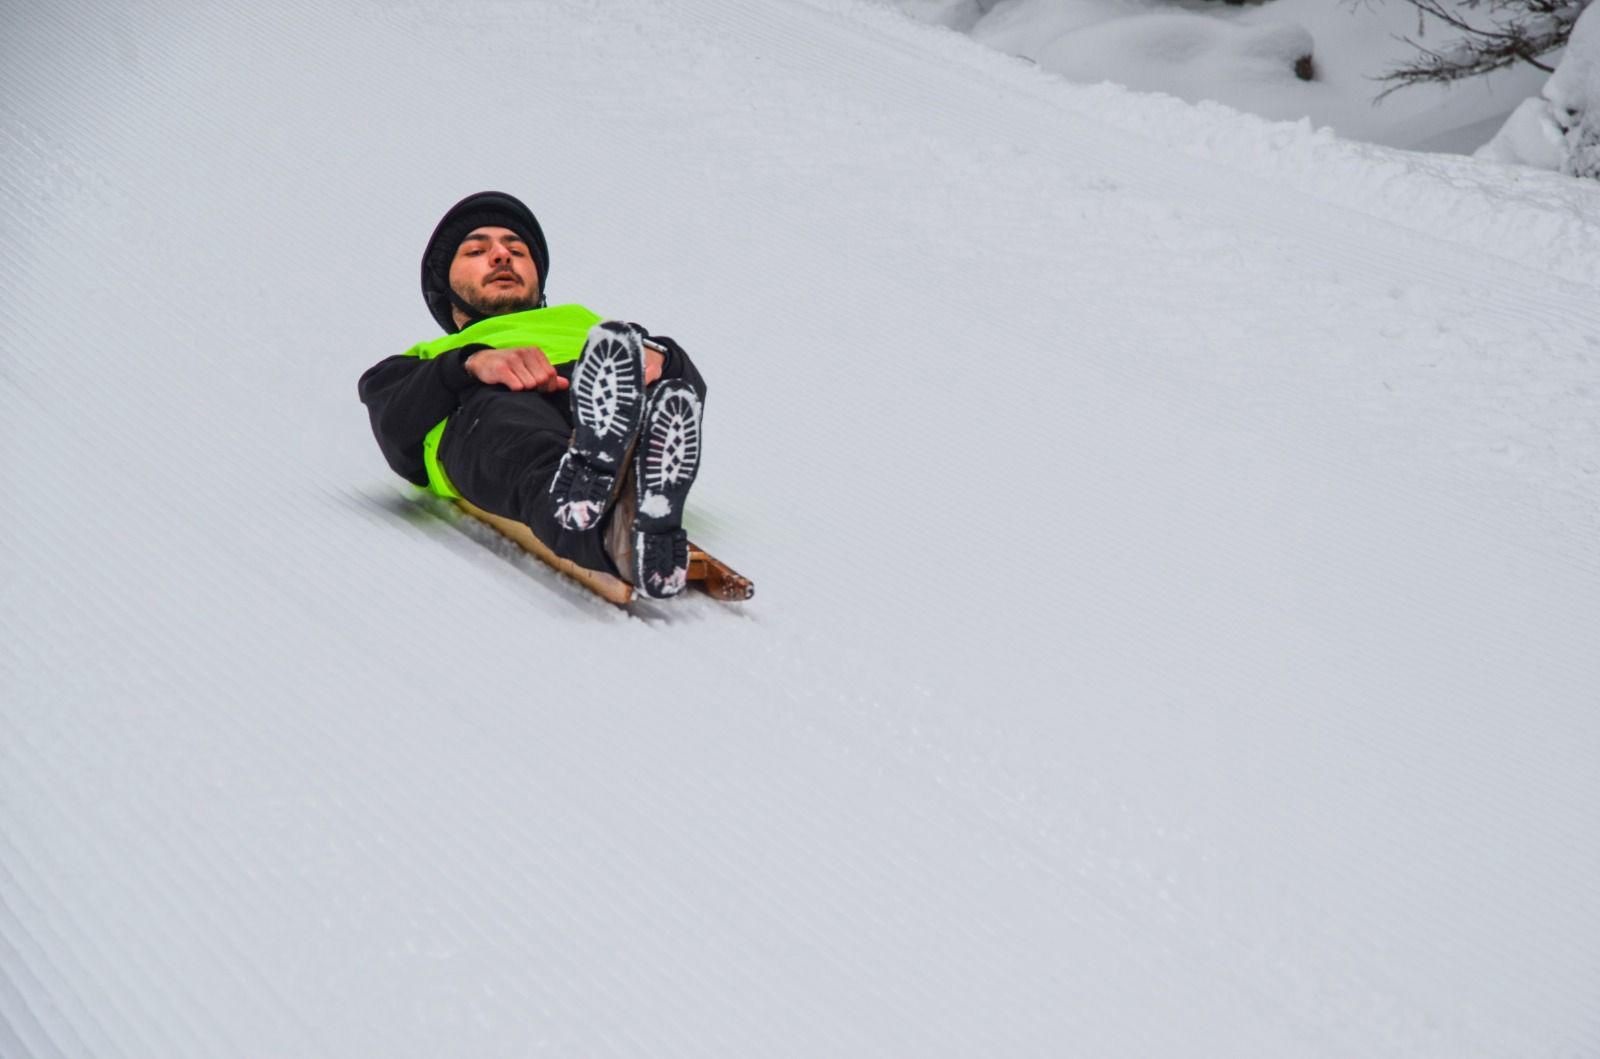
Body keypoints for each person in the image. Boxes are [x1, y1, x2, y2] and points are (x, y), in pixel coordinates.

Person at [359, 191, 708, 599]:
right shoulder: (430, 357)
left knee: (652, 388)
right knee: (507, 424)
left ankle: (625, 470)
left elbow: (687, 394)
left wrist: (663, 358)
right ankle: (605, 520)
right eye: (476, 251)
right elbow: (393, 424)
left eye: (517, 250)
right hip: (495, 415)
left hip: (592, 392)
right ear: (445, 287)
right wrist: (468, 364)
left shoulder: (594, 328)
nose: (501, 256)